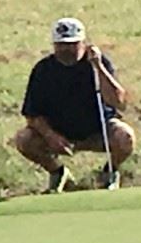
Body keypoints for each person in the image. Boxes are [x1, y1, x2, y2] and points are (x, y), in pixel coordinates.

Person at [14, 17, 133, 192]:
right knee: (24, 139)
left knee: (125, 137)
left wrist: (99, 67)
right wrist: (50, 136)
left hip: (98, 131)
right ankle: (58, 173)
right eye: (61, 45)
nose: (66, 49)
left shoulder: (97, 64)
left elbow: (119, 102)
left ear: (83, 44)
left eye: (72, 44)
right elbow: (32, 114)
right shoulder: (43, 69)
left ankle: (109, 173)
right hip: (59, 134)